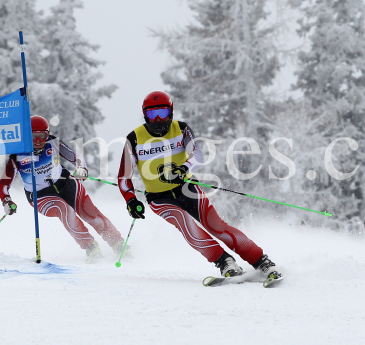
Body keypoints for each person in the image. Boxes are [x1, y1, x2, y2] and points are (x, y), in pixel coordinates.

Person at [117, 90, 282, 285]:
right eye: (153, 114)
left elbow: (197, 154)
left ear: (171, 112)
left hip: (187, 187)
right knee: (186, 224)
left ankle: (261, 261)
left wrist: (183, 167)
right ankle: (224, 262)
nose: (159, 119)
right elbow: (123, 177)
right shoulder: (134, 138)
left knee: (217, 226)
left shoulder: (181, 129)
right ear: (145, 115)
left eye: (162, 112)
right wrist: (131, 201)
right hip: (159, 198)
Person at [0, 115, 126, 263]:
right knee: (63, 209)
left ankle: (118, 243)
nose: (39, 141)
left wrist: (82, 168)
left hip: (65, 183)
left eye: (42, 136)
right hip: (40, 196)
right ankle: (91, 247)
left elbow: (76, 157)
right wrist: (6, 201)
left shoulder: (53, 142)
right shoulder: (17, 155)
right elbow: (3, 184)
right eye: (34, 137)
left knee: (89, 212)